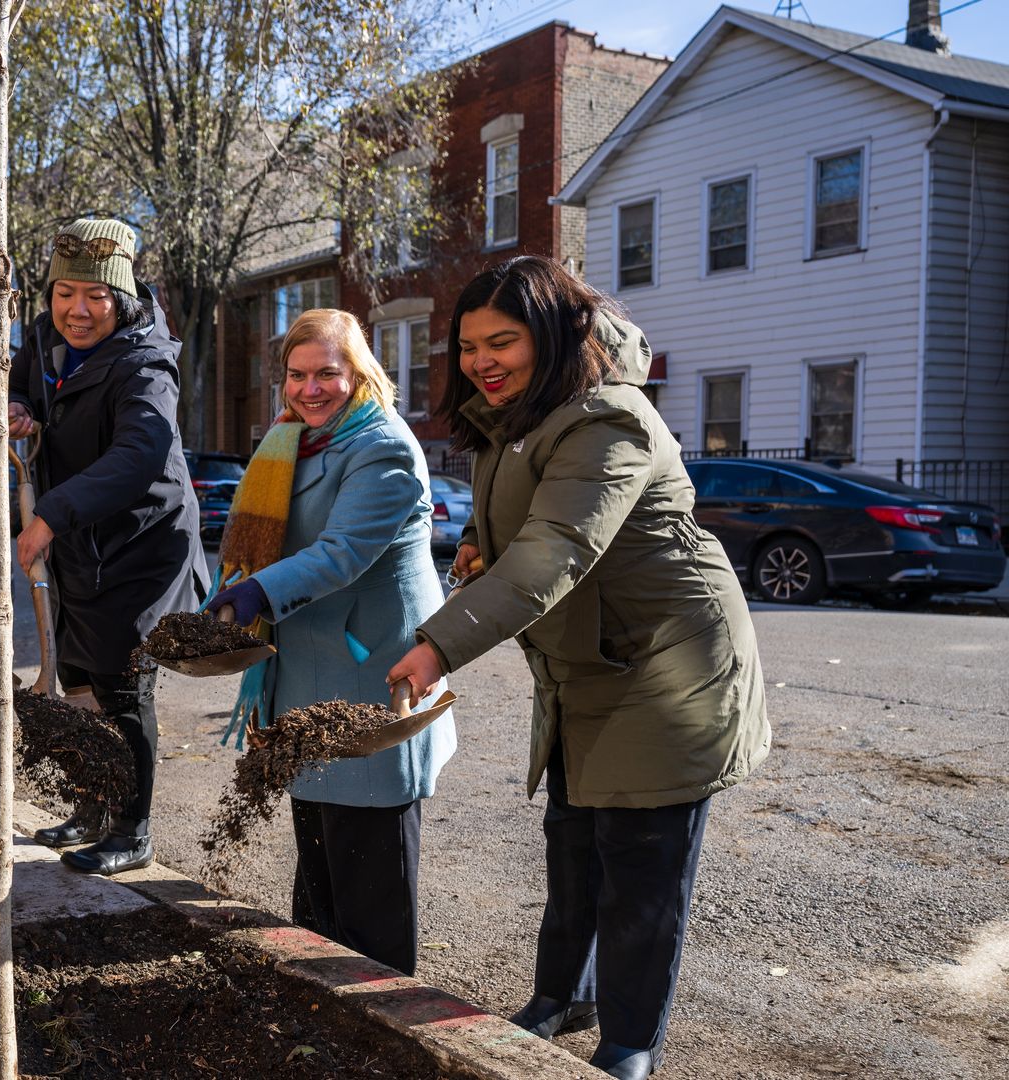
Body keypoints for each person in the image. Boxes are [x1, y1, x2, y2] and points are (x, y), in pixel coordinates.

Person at [385, 256, 771, 1080]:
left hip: (666, 668)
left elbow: (558, 548)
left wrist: (438, 642)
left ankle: (631, 1041)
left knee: (640, 868)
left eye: (504, 342)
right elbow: (530, 530)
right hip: (586, 666)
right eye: (469, 346)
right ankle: (563, 996)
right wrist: (482, 550)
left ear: (559, 335)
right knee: (574, 846)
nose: (482, 361)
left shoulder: (609, 419)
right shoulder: (519, 419)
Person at [203, 308, 456, 976]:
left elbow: (342, 553)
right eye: (297, 374)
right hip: (307, 672)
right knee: (318, 867)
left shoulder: (384, 447)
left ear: (359, 374)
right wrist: (227, 597)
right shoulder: (290, 440)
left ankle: (383, 1014)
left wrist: (254, 595)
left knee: (368, 875)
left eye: (326, 374)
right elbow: (260, 547)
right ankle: (320, 997)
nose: (310, 388)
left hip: (370, 674)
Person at [9, 217, 208, 876]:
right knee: (77, 679)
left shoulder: (145, 362)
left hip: (141, 546)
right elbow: (21, 386)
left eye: (94, 295)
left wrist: (49, 517)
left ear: (119, 299)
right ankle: (92, 807)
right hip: (80, 540)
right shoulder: (42, 341)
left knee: (122, 690)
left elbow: (140, 453)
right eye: (65, 292)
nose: (77, 309)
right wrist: (17, 410)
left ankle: (131, 827)